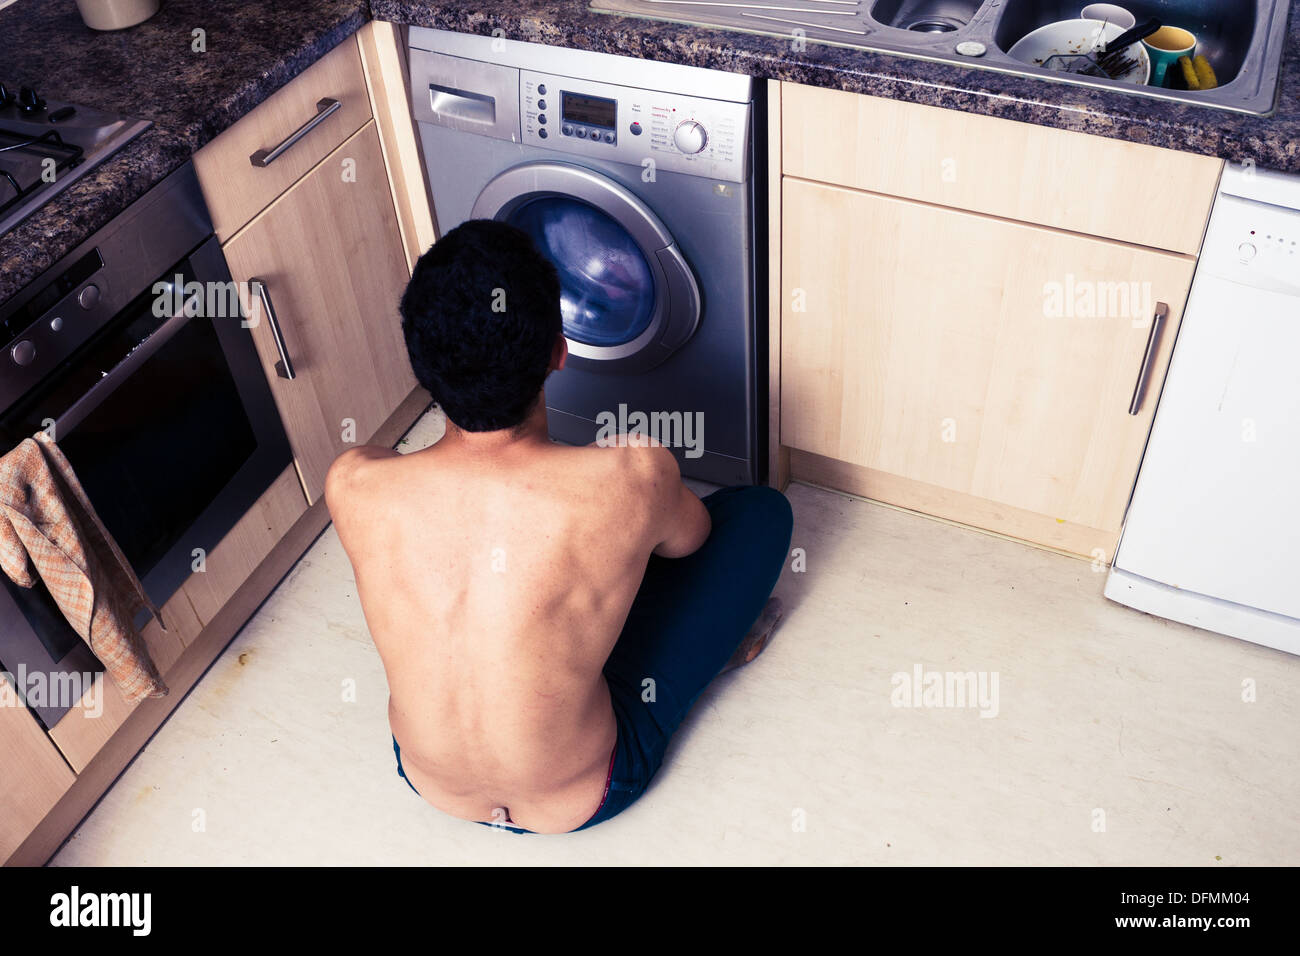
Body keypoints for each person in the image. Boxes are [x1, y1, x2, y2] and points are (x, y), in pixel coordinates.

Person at [325, 219, 792, 834]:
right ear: (560, 351)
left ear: (420, 366)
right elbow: (694, 542)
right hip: (587, 794)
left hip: (429, 780)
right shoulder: (633, 474)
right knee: (761, 515)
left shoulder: (353, 483)